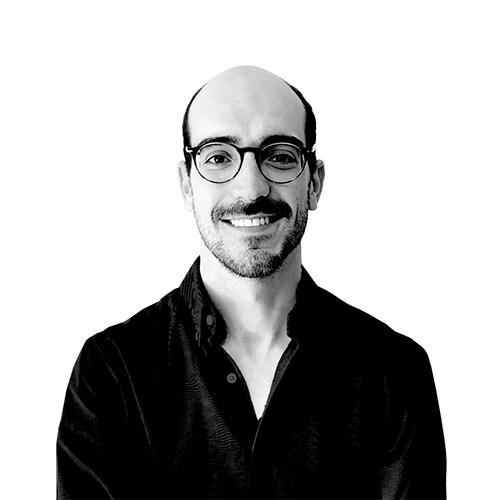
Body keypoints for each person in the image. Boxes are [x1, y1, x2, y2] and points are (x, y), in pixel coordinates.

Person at [56, 65, 446, 499]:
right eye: (218, 157)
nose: (251, 189)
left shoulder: (395, 371)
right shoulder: (109, 371)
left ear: (316, 183)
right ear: (186, 185)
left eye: (279, 156)